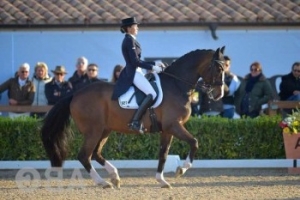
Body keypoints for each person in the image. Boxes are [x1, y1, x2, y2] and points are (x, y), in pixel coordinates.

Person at [111, 17, 164, 133]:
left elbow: (138, 61)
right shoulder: (129, 40)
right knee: (152, 93)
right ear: (129, 28)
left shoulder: (132, 40)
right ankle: (135, 121)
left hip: (137, 71)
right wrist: (152, 67)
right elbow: (135, 62)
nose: (137, 28)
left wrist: (155, 63)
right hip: (133, 72)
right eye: (135, 26)